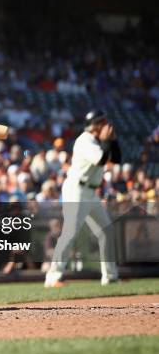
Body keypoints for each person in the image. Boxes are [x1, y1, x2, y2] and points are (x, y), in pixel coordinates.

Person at [45, 110, 121, 287]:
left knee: (106, 231)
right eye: (102, 122)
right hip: (77, 189)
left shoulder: (97, 140)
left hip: (91, 193)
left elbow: (116, 158)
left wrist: (112, 140)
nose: (106, 125)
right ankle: (53, 277)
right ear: (94, 125)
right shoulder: (85, 140)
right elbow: (101, 160)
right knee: (70, 232)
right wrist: (105, 141)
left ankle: (110, 276)